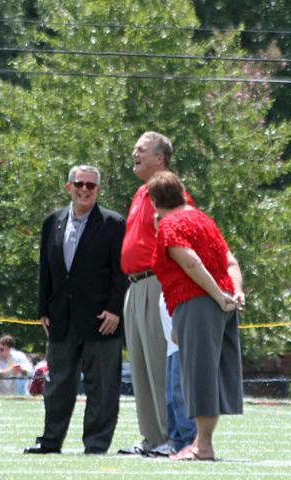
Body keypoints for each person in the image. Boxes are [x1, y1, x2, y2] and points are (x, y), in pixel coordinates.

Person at [24, 165, 127, 455]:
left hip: (102, 320)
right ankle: (50, 440)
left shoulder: (113, 223)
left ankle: (95, 445)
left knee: (102, 388)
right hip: (61, 317)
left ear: (98, 190)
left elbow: (121, 272)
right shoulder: (52, 221)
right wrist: (43, 308)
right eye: (79, 184)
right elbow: (46, 269)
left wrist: (115, 310)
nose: (85, 189)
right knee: (57, 384)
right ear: (68, 186)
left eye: (91, 186)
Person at [148, 170, 245, 461]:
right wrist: (236, 291)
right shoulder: (204, 219)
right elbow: (230, 260)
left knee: (199, 375)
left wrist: (217, 294)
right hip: (221, 303)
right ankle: (202, 442)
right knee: (211, 374)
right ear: (182, 191)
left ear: (154, 201)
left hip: (200, 301)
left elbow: (190, 263)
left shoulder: (170, 224)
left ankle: (202, 446)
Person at [119, 131, 175, 456]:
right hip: (135, 286)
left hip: (157, 283)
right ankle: (152, 439)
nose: (134, 152)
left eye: (141, 149)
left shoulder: (167, 190)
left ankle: (171, 437)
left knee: (158, 364)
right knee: (140, 368)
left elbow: (179, 234)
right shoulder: (142, 191)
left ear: (160, 158)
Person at [159, 294, 197, 456]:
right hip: (171, 342)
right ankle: (176, 442)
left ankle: (189, 441)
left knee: (179, 394)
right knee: (170, 396)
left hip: (181, 338)